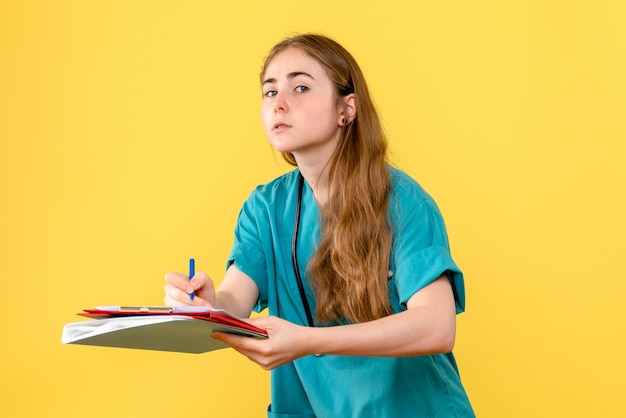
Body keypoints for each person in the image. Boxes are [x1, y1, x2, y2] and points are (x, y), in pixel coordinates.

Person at [164, 33, 475, 418]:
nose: (279, 103)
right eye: (269, 91)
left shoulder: (403, 202)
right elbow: (234, 304)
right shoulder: (265, 209)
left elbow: (437, 326)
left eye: (300, 87)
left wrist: (309, 341)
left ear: (347, 109)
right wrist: (208, 304)